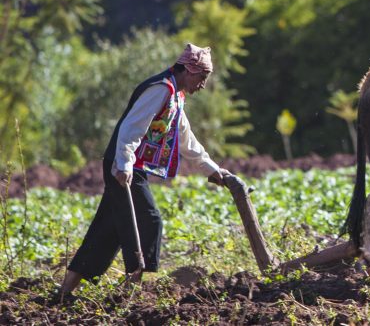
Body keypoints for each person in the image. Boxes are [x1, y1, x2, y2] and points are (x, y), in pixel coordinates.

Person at [57, 43, 240, 301]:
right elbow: (132, 127)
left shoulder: (176, 95)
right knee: (149, 220)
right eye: (202, 77)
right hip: (124, 167)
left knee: (105, 232)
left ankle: (64, 292)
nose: (203, 84)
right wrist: (123, 163)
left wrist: (211, 169)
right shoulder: (160, 90)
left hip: (130, 166)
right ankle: (130, 292)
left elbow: (186, 139)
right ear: (188, 70)